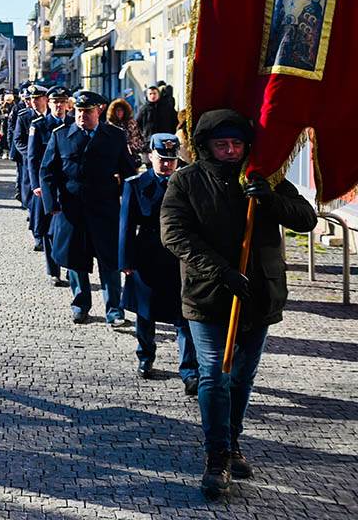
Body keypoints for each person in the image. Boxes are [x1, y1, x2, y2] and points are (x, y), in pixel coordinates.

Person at [160, 109, 316, 500]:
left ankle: (232, 443)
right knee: (214, 375)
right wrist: (221, 270)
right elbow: (174, 234)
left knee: (243, 378)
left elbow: (307, 220)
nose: (230, 151)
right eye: (221, 144)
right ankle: (216, 458)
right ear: (206, 147)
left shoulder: (266, 178)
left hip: (258, 295)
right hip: (210, 296)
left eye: (237, 144)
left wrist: (271, 201)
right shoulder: (186, 180)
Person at [39, 90, 136, 327]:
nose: (82, 116)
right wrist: (52, 205)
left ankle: (114, 310)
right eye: (79, 111)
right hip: (73, 210)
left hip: (105, 209)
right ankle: (80, 304)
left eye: (87, 111)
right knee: (76, 261)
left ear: (99, 111)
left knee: (109, 262)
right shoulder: (61, 135)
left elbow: (129, 173)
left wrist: (130, 205)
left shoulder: (114, 136)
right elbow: (47, 171)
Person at [120, 133, 196, 387]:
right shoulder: (136, 184)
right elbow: (127, 226)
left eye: (171, 160)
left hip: (180, 258)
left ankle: (189, 370)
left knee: (184, 316)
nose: (167, 164)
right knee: (146, 312)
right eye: (162, 159)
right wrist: (126, 260)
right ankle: (145, 356)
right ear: (150, 156)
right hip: (148, 257)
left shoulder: (187, 182)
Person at [27, 86, 73, 286]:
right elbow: (33, 157)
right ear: (49, 103)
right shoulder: (39, 125)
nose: (59, 106)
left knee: (72, 228)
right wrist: (36, 184)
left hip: (68, 185)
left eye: (62, 102)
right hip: (48, 185)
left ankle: (72, 268)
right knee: (48, 230)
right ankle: (54, 270)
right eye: (55, 102)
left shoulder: (73, 124)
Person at [17, 85, 49, 247]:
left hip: (50, 164)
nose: (34, 102)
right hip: (31, 163)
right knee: (33, 199)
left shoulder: (53, 118)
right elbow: (18, 140)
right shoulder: (24, 117)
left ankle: (44, 231)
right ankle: (37, 233)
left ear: (45, 99)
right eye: (32, 99)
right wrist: (30, 154)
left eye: (37, 99)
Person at [107, 98, 147, 163]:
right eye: (117, 110)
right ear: (113, 111)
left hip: (130, 156)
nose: (119, 112)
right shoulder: (109, 124)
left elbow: (137, 139)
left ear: (125, 111)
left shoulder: (131, 124)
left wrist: (131, 147)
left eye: (121, 110)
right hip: (113, 156)